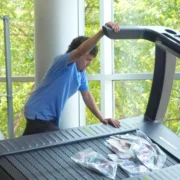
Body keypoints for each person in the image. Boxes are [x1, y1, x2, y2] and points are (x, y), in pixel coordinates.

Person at [23, 22, 120, 136]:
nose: (88, 64)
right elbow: (80, 51)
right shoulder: (61, 61)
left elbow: (87, 96)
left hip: (47, 115)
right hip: (39, 112)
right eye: (87, 59)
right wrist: (102, 32)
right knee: (49, 146)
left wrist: (102, 118)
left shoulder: (80, 72)